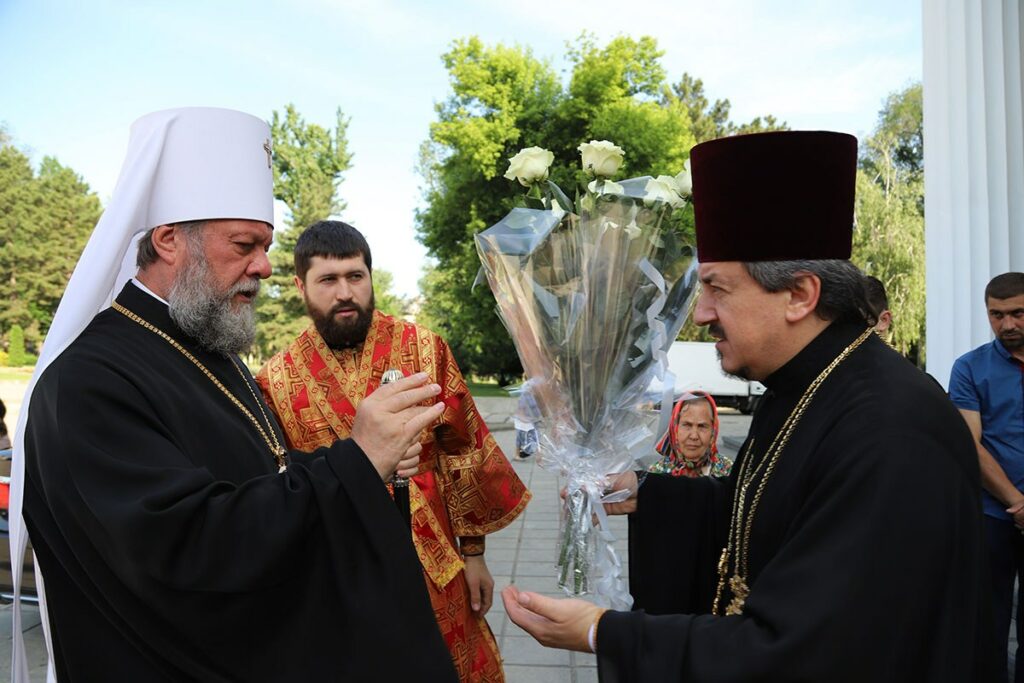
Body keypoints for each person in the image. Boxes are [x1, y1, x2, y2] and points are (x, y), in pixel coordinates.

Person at [501, 131, 994, 681]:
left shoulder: (891, 429)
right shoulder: (801, 384)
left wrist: (603, 631)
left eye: (718, 288)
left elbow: (814, 648)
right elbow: (766, 512)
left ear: (800, 295)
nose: (702, 313)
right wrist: (653, 496)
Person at [13, 108, 458, 682]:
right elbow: (190, 546)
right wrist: (355, 462)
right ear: (170, 240)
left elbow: (257, 471)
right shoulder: (87, 382)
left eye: (266, 245)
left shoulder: (207, 349)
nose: (267, 266)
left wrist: (370, 460)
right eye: (245, 244)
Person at [255, 220, 530, 682]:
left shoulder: (423, 349)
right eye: (328, 280)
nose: (345, 292)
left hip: (432, 555)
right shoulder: (275, 379)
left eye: (355, 276)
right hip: (340, 563)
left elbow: (461, 450)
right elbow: (282, 482)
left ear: (369, 276)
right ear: (301, 286)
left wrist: (475, 553)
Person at [949, 272, 1024, 682]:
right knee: (988, 624)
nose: (1006, 325)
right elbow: (969, 447)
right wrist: (1017, 502)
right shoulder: (970, 368)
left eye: (1017, 313)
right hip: (993, 516)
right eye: (996, 315)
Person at [629, 391, 732, 615]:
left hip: (711, 583)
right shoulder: (657, 475)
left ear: (713, 429)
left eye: (702, 426)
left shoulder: (727, 473)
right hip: (669, 583)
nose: (694, 435)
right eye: (686, 425)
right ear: (674, 427)